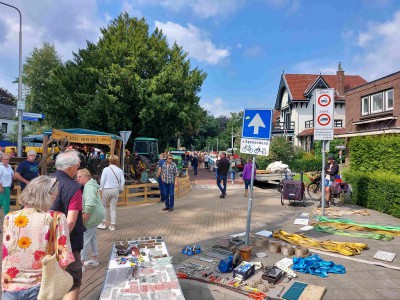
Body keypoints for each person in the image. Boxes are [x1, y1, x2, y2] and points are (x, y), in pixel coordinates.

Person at [2, 176, 75, 300]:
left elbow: (6, 251)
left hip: (10, 282)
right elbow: (64, 257)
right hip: (40, 284)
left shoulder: (10, 217)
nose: (55, 199)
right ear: (48, 196)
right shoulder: (56, 218)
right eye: (55, 196)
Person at [51, 150, 85, 300]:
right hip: (67, 244)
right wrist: (60, 244)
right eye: (77, 166)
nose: (77, 170)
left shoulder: (41, 181)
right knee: (72, 282)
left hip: (43, 242)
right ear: (70, 167)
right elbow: (70, 221)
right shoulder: (73, 188)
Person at [76, 169, 104, 270]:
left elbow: (90, 203)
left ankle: (81, 263)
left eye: (80, 177)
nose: (78, 179)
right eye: (77, 177)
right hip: (96, 214)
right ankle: (95, 258)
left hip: (93, 215)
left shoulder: (89, 187)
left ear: (87, 177)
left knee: (84, 238)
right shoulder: (90, 186)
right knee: (91, 236)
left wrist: (85, 217)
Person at [98, 155, 125, 231]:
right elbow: (122, 181)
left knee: (104, 207)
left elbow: (102, 180)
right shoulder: (120, 170)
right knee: (113, 208)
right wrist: (120, 188)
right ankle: (112, 225)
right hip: (115, 190)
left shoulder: (106, 169)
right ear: (117, 161)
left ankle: (103, 223)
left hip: (106, 189)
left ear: (109, 161)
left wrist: (101, 188)